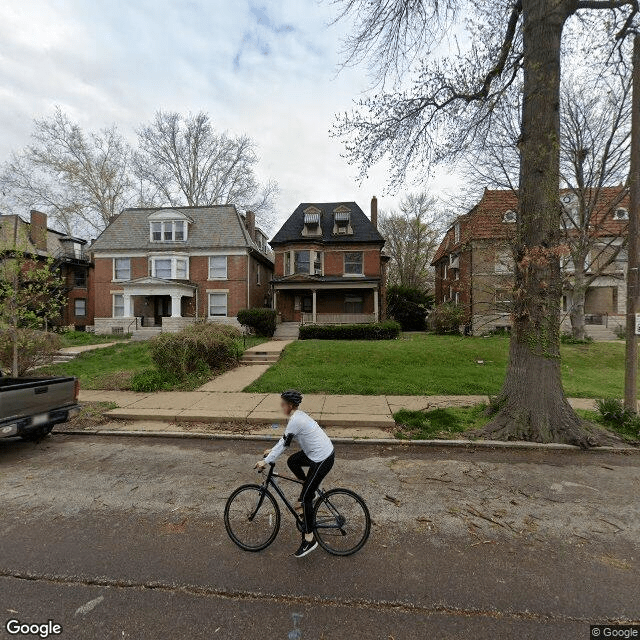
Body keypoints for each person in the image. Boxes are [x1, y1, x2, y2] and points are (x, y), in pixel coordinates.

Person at [255, 389, 334, 558]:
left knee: (305, 498)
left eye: (283, 404)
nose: (281, 407)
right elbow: (285, 441)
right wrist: (272, 452)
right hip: (316, 452)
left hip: (323, 457)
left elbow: (284, 444)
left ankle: (309, 539)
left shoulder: (296, 421)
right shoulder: (298, 416)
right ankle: (309, 487)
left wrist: (266, 460)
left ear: (290, 405)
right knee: (293, 461)